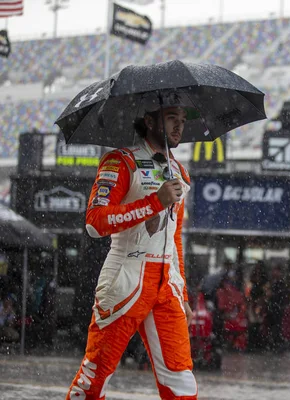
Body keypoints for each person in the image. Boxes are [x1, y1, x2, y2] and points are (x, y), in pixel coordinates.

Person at [66, 91, 198, 400]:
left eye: (182, 121)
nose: (179, 127)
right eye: (171, 119)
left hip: (168, 285)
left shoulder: (179, 171)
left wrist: (184, 294)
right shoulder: (120, 160)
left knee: (182, 382)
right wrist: (154, 201)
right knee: (95, 377)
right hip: (126, 275)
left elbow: (174, 235)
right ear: (149, 120)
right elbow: (95, 222)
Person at [265, 265, 288, 352]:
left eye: (276, 271)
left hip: (277, 308)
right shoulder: (272, 282)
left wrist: (273, 295)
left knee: (276, 326)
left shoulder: (281, 283)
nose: (274, 273)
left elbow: (281, 295)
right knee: (272, 326)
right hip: (272, 307)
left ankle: (275, 343)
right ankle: (273, 343)